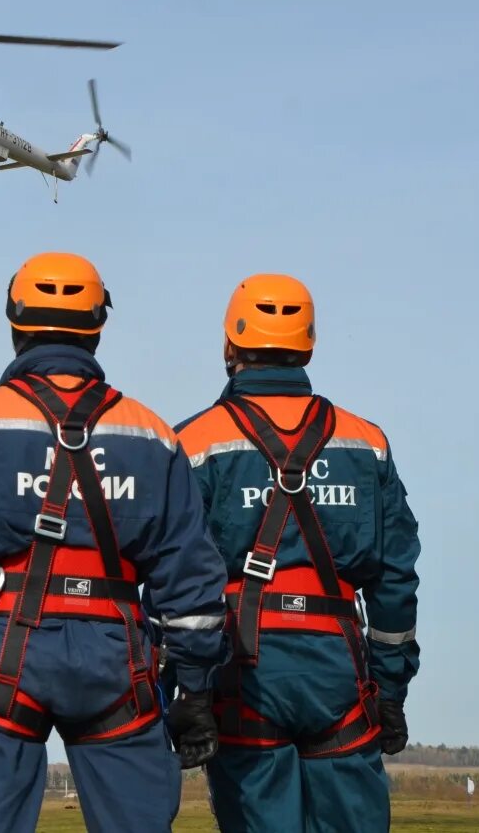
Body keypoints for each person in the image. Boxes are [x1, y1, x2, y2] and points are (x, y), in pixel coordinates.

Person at [0, 253, 229, 833]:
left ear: (15, 324)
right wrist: (196, 691)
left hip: (2, 653)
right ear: (98, 328)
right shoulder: (150, 433)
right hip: (115, 655)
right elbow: (191, 579)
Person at [176, 274, 420, 833]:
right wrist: (390, 688)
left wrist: (189, 684)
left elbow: (174, 577)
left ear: (229, 346)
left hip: (245, 665)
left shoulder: (194, 443)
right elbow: (396, 580)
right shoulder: (366, 443)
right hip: (338, 666)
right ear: (308, 343)